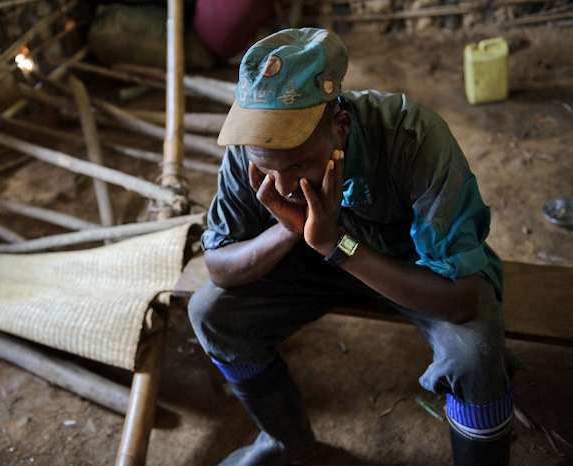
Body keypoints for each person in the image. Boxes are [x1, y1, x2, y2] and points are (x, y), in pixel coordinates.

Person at [188, 28, 521, 466]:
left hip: (410, 271)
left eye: (301, 163)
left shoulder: (412, 137)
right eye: (267, 165)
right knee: (211, 312)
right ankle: (286, 441)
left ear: (340, 126)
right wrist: (293, 228)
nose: (283, 184)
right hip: (309, 264)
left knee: (474, 354)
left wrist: (334, 244)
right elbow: (219, 266)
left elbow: (459, 298)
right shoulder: (254, 151)